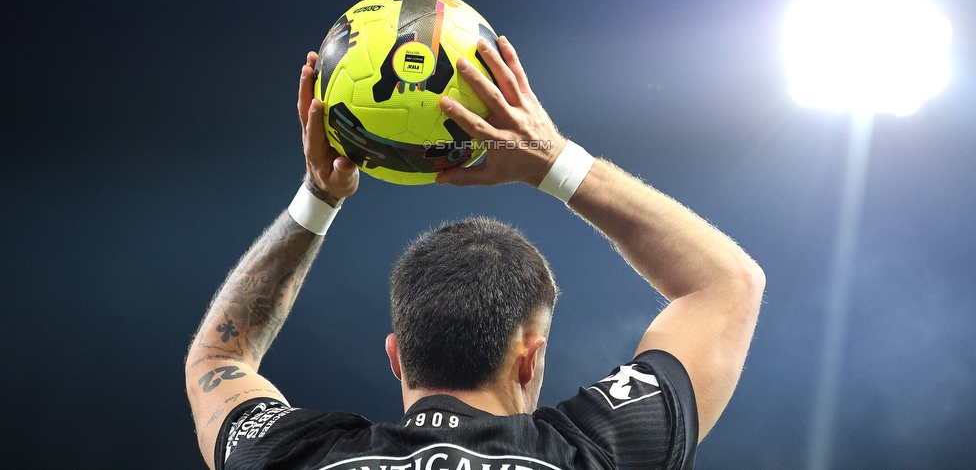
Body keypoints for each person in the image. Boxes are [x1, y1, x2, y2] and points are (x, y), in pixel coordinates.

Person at [185, 36, 765, 470]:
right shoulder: (598, 454)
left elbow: (218, 360)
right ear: (529, 359)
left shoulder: (303, 460)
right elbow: (725, 284)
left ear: (396, 356)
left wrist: (317, 198)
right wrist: (551, 158)